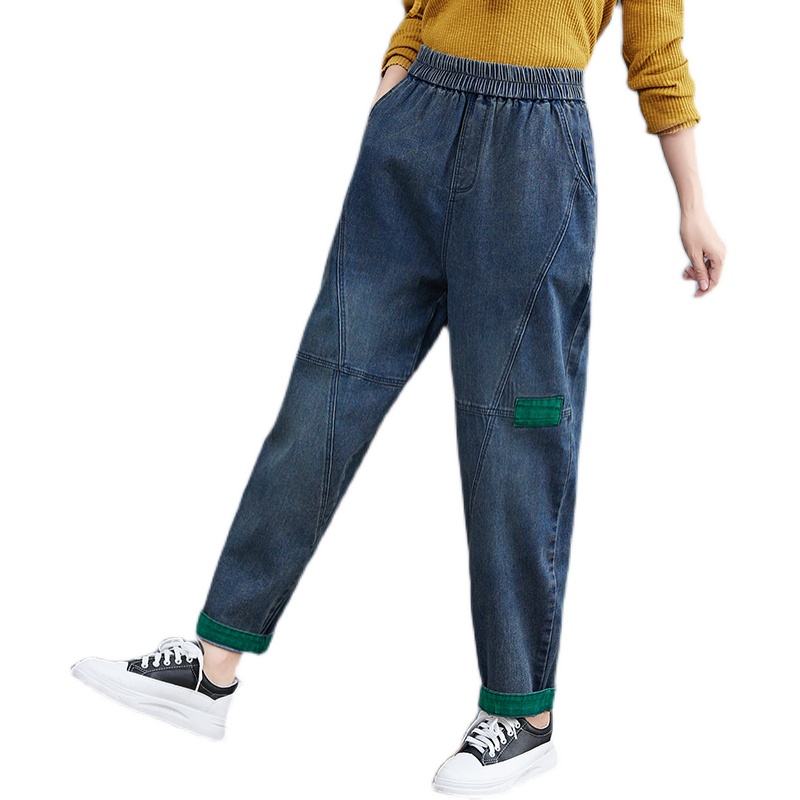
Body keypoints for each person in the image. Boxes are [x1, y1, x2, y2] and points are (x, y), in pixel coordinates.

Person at [71, 1, 725, 795]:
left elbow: (657, 55)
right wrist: (397, 82)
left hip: (533, 155)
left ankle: (523, 714)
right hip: (414, 128)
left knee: (515, 433)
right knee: (324, 395)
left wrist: (692, 204)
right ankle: (213, 667)